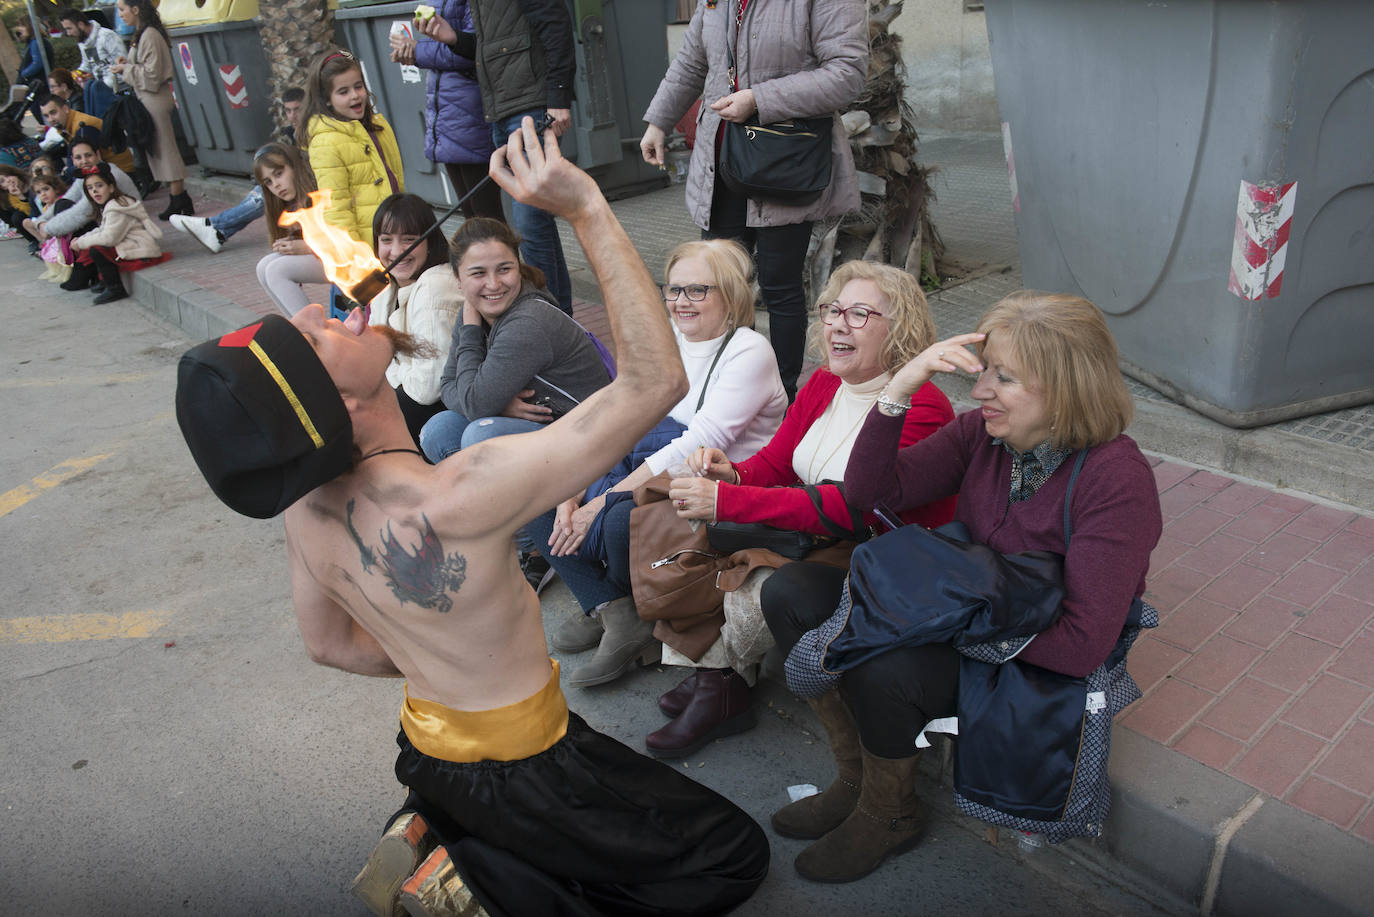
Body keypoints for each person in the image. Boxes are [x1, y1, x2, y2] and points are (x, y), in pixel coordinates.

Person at [174, 117, 769, 917]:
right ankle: (481, 886)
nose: (321, 311)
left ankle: (438, 834)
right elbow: (654, 380)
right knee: (730, 854)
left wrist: (444, 669)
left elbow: (328, 644)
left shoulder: (306, 512)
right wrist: (585, 205)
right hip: (528, 765)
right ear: (341, 403)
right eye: (312, 340)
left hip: (429, 750)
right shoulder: (463, 491)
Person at [763, 291, 1164, 883]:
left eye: (1004, 379)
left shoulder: (1115, 482)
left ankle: (890, 812)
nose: (979, 393)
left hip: (1029, 653)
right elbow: (867, 498)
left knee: (884, 663)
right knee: (791, 591)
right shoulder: (983, 435)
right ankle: (854, 777)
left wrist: (930, 621)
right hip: (961, 607)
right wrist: (898, 390)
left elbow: (1083, 644)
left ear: (1067, 390)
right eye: (984, 374)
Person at [645, 260, 958, 758]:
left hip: (871, 558)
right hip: (810, 537)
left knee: (752, 576)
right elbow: (776, 460)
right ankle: (716, 680)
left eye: (858, 314)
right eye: (833, 310)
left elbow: (852, 509)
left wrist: (730, 500)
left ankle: (721, 684)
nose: (837, 324)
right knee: (684, 528)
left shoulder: (922, 407)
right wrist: (734, 473)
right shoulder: (824, 384)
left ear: (900, 330)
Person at [529, 237, 789, 690]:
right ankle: (611, 606)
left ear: (731, 294)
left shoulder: (748, 351)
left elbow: (699, 442)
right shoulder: (668, 338)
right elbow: (620, 414)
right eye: (673, 289)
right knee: (536, 495)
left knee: (617, 520)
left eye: (697, 290)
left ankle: (629, 605)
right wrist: (572, 490)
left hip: (715, 484)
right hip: (651, 462)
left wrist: (602, 499)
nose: (680, 302)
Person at [641, 0, 868, 401]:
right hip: (721, 162)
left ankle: (779, 398)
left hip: (787, 160)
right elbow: (692, 63)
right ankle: (721, 392)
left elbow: (847, 74)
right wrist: (659, 121)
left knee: (781, 288)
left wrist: (759, 99)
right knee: (715, 285)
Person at [413, 0, 575, 313]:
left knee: (529, 222)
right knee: (536, 223)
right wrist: (454, 38)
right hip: (503, 110)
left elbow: (555, 25)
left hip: (531, 106)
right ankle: (560, 316)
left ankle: (553, 319)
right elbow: (491, 48)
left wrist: (559, 95)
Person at [420, 217, 611, 463]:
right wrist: (494, 406)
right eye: (478, 273)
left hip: (588, 435)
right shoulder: (473, 310)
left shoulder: (528, 322)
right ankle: (485, 495)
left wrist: (470, 333)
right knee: (438, 429)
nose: (493, 284)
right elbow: (447, 383)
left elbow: (476, 405)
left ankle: (519, 500)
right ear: (458, 279)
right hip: (546, 427)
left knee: (481, 436)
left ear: (518, 268)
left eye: (504, 269)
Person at [390, 0, 503, 223]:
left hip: (472, 110)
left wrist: (417, 50)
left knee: (487, 217)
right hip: (446, 112)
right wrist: (413, 50)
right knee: (471, 214)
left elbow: (473, 47)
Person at [367, 193, 465, 444]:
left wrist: (392, 370)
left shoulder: (433, 285)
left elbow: (428, 388)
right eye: (386, 240)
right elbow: (375, 359)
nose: (397, 251)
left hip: (445, 407)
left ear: (429, 242)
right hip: (410, 395)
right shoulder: (384, 288)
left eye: (409, 240)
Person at [169, 88, 307, 253]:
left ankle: (217, 228)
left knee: (268, 189)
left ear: (307, 107)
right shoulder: (289, 134)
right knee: (267, 186)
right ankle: (218, 229)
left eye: (297, 109)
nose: (292, 116)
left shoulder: (315, 131)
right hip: (298, 184)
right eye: (288, 111)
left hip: (311, 183)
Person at [302, 48, 404, 248]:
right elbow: (336, 208)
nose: (355, 96)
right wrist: (356, 255)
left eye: (358, 87)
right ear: (326, 100)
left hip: (392, 234)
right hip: (365, 246)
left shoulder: (376, 127)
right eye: (343, 92)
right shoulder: (326, 142)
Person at [110, 0, 191, 220]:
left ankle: (178, 197)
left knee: (166, 149)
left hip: (154, 98)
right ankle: (179, 196)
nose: (121, 14)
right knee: (159, 149)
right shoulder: (144, 33)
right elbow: (146, 67)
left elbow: (153, 75)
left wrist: (125, 68)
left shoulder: (150, 35)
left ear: (135, 10)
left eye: (122, 9)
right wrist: (127, 63)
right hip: (147, 98)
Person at [37, 137, 140, 291]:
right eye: (78, 157)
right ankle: (81, 267)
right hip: (107, 222)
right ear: (72, 160)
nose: (84, 161)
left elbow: (83, 213)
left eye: (88, 155)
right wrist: (42, 221)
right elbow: (67, 198)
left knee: (74, 220)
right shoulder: (88, 174)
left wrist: (48, 229)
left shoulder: (107, 174)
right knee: (62, 205)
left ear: (97, 154)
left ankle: (84, 269)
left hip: (128, 229)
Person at [251, 142, 327, 317]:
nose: (276, 185)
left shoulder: (319, 189)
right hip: (323, 258)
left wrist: (306, 246)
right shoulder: (288, 205)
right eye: (268, 182)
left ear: (294, 167)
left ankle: (317, 334)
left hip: (347, 260)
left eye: (279, 174)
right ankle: (303, 331)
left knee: (277, 270)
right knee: (263, 266)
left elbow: (343, 238)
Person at [69, 160, 162, 304]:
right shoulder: (111, 204)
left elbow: (109, 238)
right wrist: (81, 239)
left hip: (138, 247)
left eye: (99, 186)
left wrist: (81, 243)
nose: (94, 191)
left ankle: (115, 287)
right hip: (127, 242)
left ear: (111, 187)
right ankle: (104, 280)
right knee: (90, 242)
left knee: (96, 249)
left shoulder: (117, 206)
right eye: (90, 188)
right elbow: (103, 229)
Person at [38, 91, 134, 174]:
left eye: (53, 113)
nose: (51, 119)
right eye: (46, 116)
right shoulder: (65, 125)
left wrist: (68, 172)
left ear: (65, 109)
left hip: (121, 172)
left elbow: (87, 165)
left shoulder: (83, 126)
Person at [59, 8, 127, 93]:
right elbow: (89, 64)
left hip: (120, 91)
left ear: (80, 25)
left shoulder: (107, 36)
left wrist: (101, 86)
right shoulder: (82, 41)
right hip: (99, 91)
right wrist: (78, 73)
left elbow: (124, 67)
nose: (68, 33)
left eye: (69, 28)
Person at [28, 172, 75, 281]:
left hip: (62, 234)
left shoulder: (61, 203)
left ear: (56, 189)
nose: (43, 194)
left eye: (46, 189)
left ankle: (67, 271)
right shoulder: (46, 207)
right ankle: (58, 270)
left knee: (56, 250)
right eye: (39, 192)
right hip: (52, 236)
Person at [14, 21, 55, 123]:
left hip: (39, 83)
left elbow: (37, 63)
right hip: (40, 83)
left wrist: (24, 74)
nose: (20, 29)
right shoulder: (33, 42)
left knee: (38, 108)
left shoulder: (36, 42)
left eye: (22, 25)